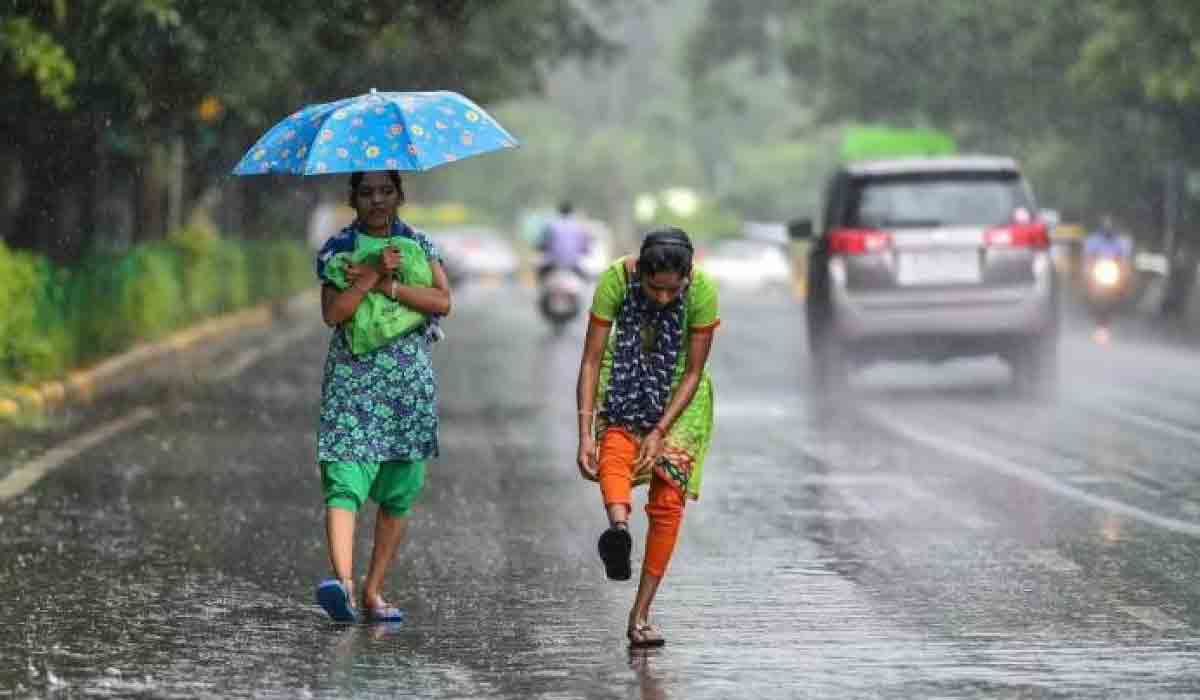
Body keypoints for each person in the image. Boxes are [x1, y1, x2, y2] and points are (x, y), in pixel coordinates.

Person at [313, 170, 452, 623]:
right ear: (352, 198)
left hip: (406, 386)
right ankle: (345, 587)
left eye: (386, 191)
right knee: (344, 476)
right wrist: (368, 276)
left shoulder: (418, 245)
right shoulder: (337, 251)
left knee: (399, 490)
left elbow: (442, 302)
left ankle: (374, 591)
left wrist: (391, 285)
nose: (377, 200)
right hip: (353, 382)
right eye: (367, 192)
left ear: (399, 195)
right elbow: (334, 314)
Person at [574, 227, 720, 647]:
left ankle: (640, 614)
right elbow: (591, 359)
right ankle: (618, 531)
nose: (662, 298)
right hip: (624, 376)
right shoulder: (615, 281)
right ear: (640, 273)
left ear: (688, 277)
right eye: (654, 289)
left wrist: (659, 431)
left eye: (672, 290)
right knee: (614, 451)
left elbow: (693, 371)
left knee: (669, 498)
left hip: (681, 394)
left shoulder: (704, 292)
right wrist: (585, 432)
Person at [538, 201, 592, 280]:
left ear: (559, 211)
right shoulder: (578, 226)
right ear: (571, 212)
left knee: (541, 277)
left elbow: (543, 243)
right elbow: (585, 246)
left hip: (554, 263)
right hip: (573, 264)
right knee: (586, 279)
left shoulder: (551, 225)